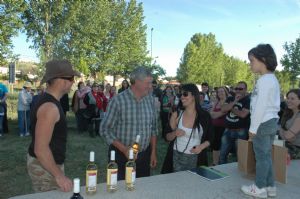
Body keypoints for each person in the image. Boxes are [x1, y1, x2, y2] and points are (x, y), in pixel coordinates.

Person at [27, 60, 80, 192]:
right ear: (62, 81)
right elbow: (40, 149)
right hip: (45, 167)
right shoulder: (50, 108)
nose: (73, 82)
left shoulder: (49, 100)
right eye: (72, 78)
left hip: (48, 164)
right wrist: (59, 176)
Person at [100, 66, 158, 180]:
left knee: (142, 189)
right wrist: (124, 149)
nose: (151, 86)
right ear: (137, 82)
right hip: (121, 156)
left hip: (144, 155)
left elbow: (154, 128)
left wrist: (153, 152)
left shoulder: (151, 100)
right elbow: (104, 129)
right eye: (148, 83)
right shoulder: (118, 101)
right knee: (120, 191)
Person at [241, 44, 280, 198]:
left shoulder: (265, 81)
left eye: (252, 61)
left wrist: (253, 128)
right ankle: (270, 186)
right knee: (266, 156)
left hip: (262, 123)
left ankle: (259, 187)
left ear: (263, 59)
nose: (250, 64)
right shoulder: (271, 79)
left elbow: (260, 107)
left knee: (261, 157)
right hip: (270, 122)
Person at [165, 83, 212, 172]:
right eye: (180, 94)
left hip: (196, 158)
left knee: (194, 183)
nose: (182, 97)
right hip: (176, 156)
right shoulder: (177, 114)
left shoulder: (204, 116)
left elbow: (211, 137)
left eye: (185, 94)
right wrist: (174, 133)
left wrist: (201, 147)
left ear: (194, 96)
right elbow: (167, 137)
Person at [219, 81, 250, 164]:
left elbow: (243, 114)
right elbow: (223, 109)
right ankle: (221, 172)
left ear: (245, 90)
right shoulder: (230, 98)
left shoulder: (248, 100)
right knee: (222, 154)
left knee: (240, 157)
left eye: (241, 89)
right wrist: (235, 101)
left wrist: (230, 108)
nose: (238, 90)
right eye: (236, 88)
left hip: (241, 131)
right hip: (228, 130)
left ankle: (239, 175)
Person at [210, 86, 229, 165]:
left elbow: (217, 115)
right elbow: (211, 114)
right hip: (214, 127)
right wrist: (216, 114)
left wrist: (215, 114)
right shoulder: (216, 102)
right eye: (218, 92)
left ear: (225, 92)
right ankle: (215, 163)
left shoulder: (227, 102)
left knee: (223, 146)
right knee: (215, 145)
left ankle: (222, 163)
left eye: (222, 91)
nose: (220, 93)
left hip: (224, 127)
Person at [279, 89, 300, 159]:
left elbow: (288, 136)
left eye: (292, 99)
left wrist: (283, 132)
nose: (288, 101)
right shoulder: (288, 112)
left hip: (296, 149)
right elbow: (286, 135)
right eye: (288, 98)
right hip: (287, 144)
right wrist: (284, 133)